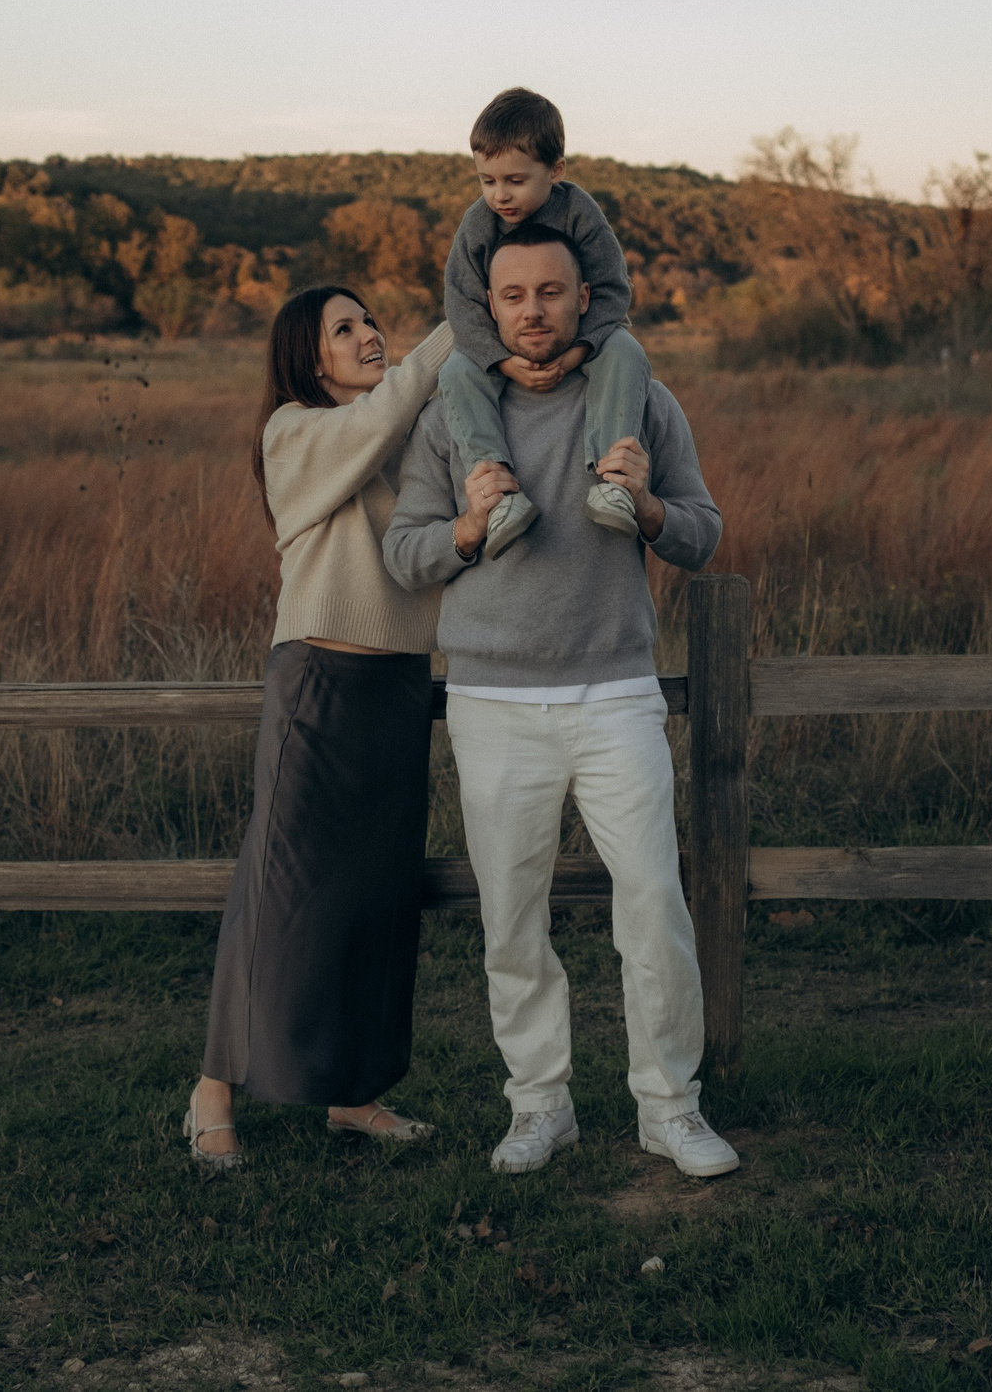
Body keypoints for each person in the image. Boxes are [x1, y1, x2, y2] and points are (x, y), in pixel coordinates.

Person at [383, 227, 740, 1179]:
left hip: (615, 691)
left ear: (585, 298)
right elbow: (404, 551)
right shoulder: (450, 416)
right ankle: (540, 1107)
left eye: (551, 292)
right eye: (513, 296)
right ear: (488, 306)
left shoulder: (640, 402)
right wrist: (465, 528)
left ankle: (671, 1107)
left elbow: (703, 532)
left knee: (656, 903)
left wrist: (652, 509)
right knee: (511, 917)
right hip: (493, 700)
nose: (532, 311)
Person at [187, 288, 454, 1171]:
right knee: (278, 892)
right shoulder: (297, 432)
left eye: (370, 321)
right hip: (320, 683)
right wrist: (461, 325)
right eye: (345, 329)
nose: (370, 335)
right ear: (310, 360)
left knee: (378, 897)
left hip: (400, 685)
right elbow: (374, 424)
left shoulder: (402, 431)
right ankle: (213, 1089)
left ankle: (355, 1095)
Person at [440, 87, 656, 559]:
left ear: (555, 171)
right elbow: (461, 304)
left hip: (580, 342)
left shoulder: (579, 212)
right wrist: (502, 363)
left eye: (515, 180)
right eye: (487, 180)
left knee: (626, 350)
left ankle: (612, 483)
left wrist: (580, 351)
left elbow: (612, 289)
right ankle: (497, 495)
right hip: (504, 352)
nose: (500, 195)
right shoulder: (479, 224)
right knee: (455, 370)